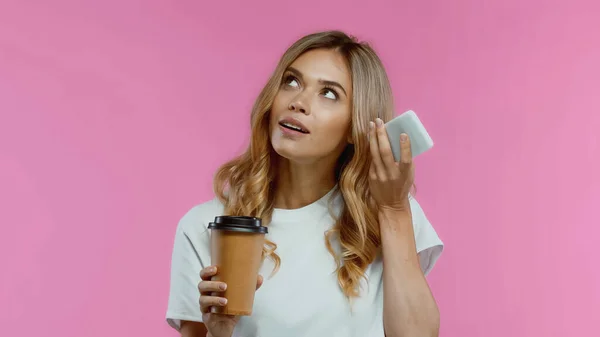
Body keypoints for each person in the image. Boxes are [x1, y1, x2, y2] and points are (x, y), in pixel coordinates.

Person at [166, 30, 444, 337]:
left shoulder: (389, 213)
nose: (298, 102)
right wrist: (220, 333)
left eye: (329, 93)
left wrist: (393, 210)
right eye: (291, 81)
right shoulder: (206, 226)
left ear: (355, 127)